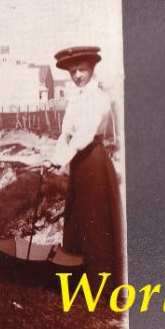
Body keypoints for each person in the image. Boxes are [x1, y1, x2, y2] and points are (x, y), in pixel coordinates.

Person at [48, 46, 124, 285]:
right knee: (77, 214)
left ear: (92, 69)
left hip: (94, 161)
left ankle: (100, 282)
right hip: (79, 163)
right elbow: (66, 134)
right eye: (73, 72)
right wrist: (55, 159)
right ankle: (78, 276)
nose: (77, 76)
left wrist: (61, 159)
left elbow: (84, 135)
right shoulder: (75, 100)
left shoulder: (99, 98)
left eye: (81, 70)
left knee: (95, 218)